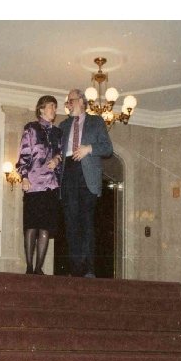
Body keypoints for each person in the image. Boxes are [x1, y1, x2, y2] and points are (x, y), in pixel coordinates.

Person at [58, 89, 113, 277]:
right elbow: (58, 150)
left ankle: (89, 269)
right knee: (71, 222)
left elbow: (107, 148)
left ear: (82, 101)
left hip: (87, 175)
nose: (68, 104)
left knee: (86, 221)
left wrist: (88, 148)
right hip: (68, 173)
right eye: (67, 102)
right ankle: (76, 269)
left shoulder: (96, 121)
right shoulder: (63, 125)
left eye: (71, 100)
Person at [16, 95, 63, 275]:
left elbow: (60, 153)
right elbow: (24, 155)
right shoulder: (31, 128)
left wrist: (57, 160)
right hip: (33, 185)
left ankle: (38, 268)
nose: (54, 110)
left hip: (51, 185)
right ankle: (29, 267)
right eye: (51, 106)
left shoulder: (58, 132)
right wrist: (24, 177)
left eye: (55, 107)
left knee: (45, 227)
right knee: (31, 226)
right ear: (42, 109)